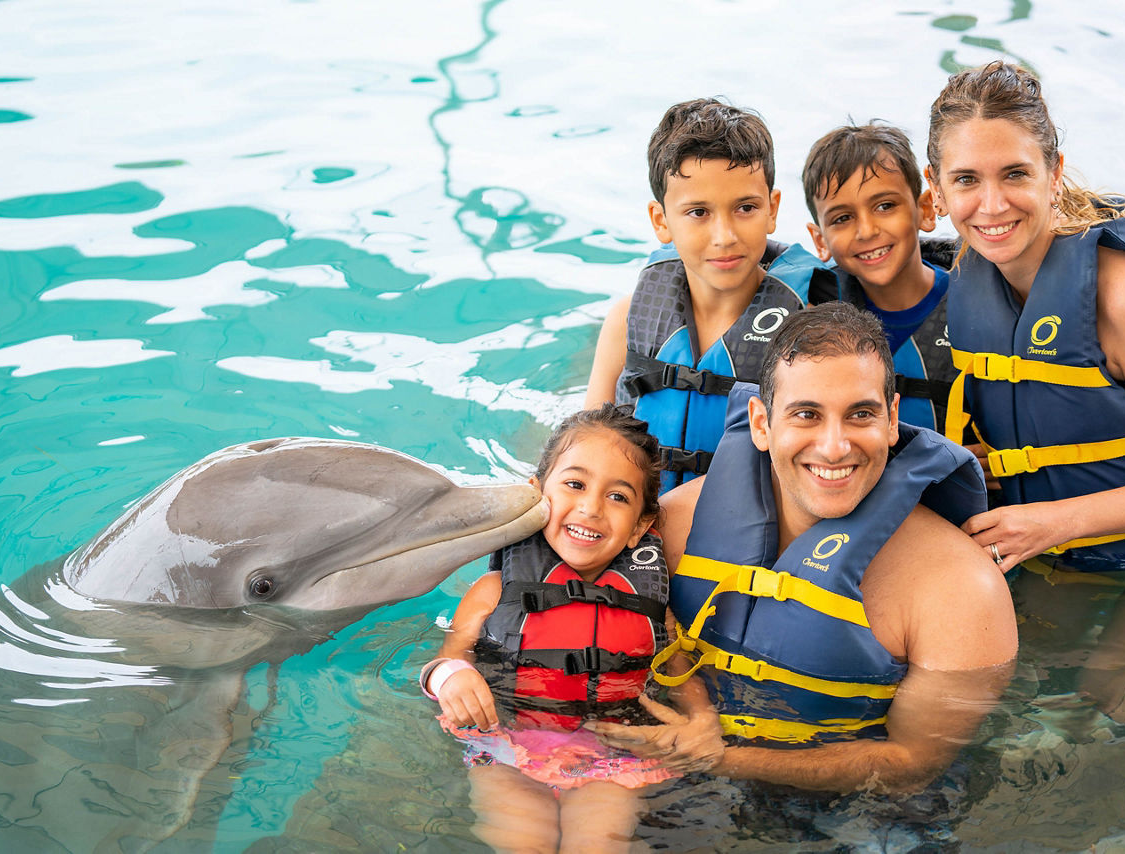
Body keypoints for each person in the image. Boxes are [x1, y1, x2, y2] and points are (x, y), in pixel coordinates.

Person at [589, 301, 1017, 797]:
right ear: (761, 423)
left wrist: (722, 759)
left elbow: (913, 762)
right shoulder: (674, 524)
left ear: (893, 419)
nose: (834, 447)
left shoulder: (961, 587)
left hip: (857, 816)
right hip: (673, 777)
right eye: (807, 414)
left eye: (861, 414)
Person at [924, 60, 1125, 592]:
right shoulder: (975, 270)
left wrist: (1050, 523)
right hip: (1075, 544)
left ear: (1053, 173)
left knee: (1099, 681)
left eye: (1015, 173)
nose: (992, 205)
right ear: (936, 189)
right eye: (966, 179)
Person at [419, 404, 698, 853]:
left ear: (640, 526)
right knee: (521, 843)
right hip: (509, 747)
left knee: (598, 845)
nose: (590, 508)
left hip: (612, 756)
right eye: (574, 484)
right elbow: (446, 660)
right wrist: (450, 677)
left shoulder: (652, 606)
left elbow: (684, 679)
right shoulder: (493, 591)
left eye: (618, 497)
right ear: (537, 493)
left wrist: (699, 721)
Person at [585, 97, 826, 494]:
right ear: (661, 221)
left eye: (745, 207)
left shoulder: (809, 333)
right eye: (699, 212)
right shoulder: (626, 322)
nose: (724, 236)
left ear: (772, 208)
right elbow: (587, 447)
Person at [803, 122, 959, 433]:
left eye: (885, 206)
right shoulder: (811, 313)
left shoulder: (980, 304)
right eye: (842, 218)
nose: (867, 230)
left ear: (925, 210)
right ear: (820, 240)